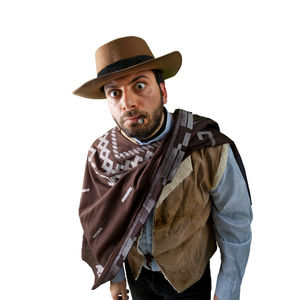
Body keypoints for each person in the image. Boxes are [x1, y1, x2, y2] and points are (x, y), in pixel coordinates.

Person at [73, 36, 253, 300]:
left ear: (163, 91)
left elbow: (235, 224)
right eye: (115, 93)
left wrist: (227, 291)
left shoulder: (207, 147)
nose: (128, 103)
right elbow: (100, 222)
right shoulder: (102, 155)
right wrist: (116, 277)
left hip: (188, 277)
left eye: (140, 85)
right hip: (137, 276)